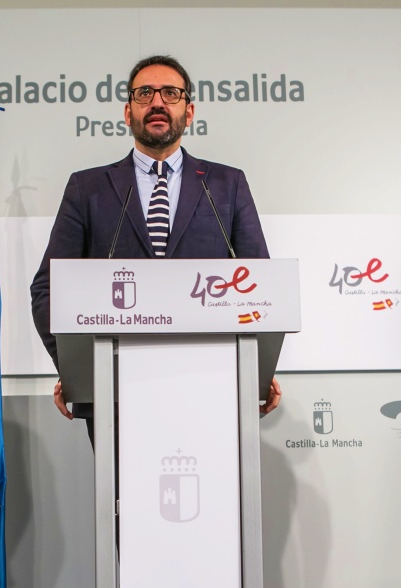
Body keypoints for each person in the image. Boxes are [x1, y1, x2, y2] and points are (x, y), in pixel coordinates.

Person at [30, 54, 281, 418]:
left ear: (189, 112)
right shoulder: (88, 188)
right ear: (128, 112)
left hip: (211, 387)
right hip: (114, 392)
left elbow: (261, 287)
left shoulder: (227, 185)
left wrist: (256, 370)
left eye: (171, 93)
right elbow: (48, 289)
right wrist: (78, 368)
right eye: (145, 93)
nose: (158, 102)